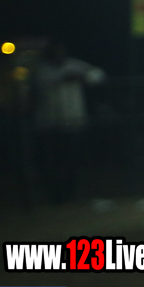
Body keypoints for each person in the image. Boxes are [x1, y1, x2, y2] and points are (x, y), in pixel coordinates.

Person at [31, 43, 106, 203]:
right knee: (51, 162)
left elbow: (99, 75)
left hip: (72, 122)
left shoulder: (74, 65)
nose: (59, 54)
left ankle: (69, 195)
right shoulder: (42, 69)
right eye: (55, 51)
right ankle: (54, 195)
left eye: (61, 51)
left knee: (69, 161)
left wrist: (84, 77)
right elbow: (42, 83)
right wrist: (65, 78)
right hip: (49, 123)